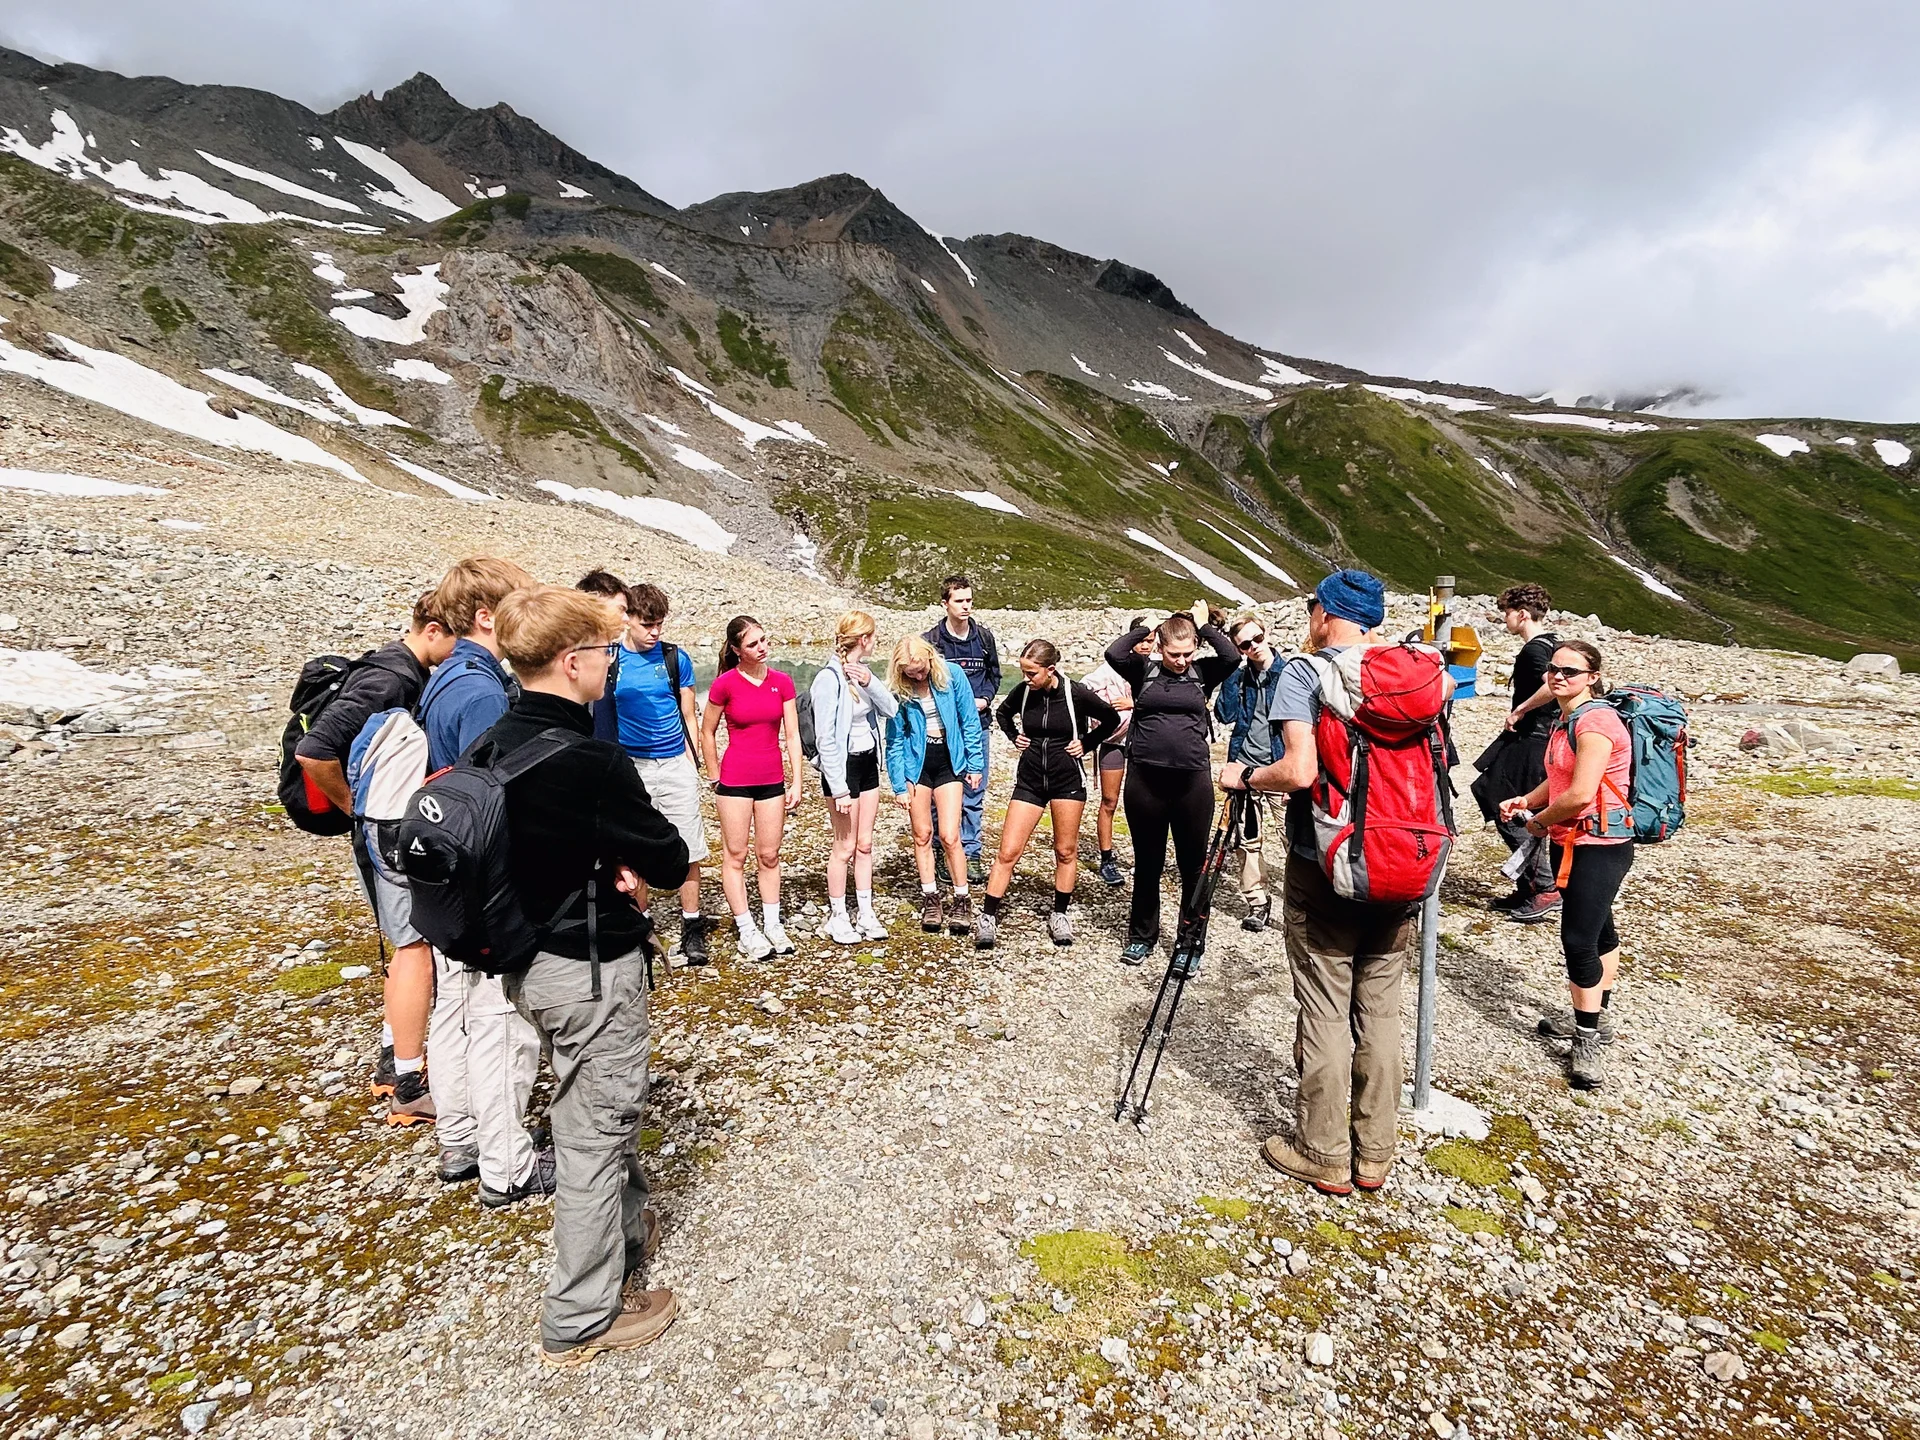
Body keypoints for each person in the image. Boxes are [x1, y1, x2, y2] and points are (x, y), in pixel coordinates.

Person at [481, 585, 691, 1365]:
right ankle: (583, 1316)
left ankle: (627, 1233)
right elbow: (669, 858)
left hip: (522, 964)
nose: (612, 663)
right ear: (572, 662)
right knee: (594, 1130)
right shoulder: (592, 759)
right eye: (603, 652)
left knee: (594, 1104)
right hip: (591, 966)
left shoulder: (493, 741)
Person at [1220, 568, 1434, 1197]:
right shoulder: (1418, 674)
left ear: (1325, 612)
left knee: (1325, 1004)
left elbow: (1298, 770)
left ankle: (1323, 1150)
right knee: (1382, 1007)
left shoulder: (1305, 672)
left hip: (1329, 861)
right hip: (1407, 860)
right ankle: (1377, 1153)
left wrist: (1243, 778)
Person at [415, 556, 552, 1201]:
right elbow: (497, 795)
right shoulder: (482, 693)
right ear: (486, 616)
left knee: (455, 1009)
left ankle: (461, 1135)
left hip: (447, 876)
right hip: (486, 882)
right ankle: (507, 1164)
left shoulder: (446, 678)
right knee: (500, 1020)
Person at [295, 591, 454, 1122]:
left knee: (403, 943)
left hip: (375, 828)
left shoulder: (389, 665)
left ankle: (392, 1057)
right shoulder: (392, 678)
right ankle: (409, 1083)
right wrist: (353, 808)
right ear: (433, 629)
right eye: (452, 639)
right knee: (415, 948)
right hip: (382, 829)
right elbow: (314, 751)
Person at [1498, 639, 1633, 1093]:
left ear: (1592, 677)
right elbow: (1560, 782)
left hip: (1597, 842)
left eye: (1570, 671)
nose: (1558, 676)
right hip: (1575, 838)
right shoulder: (1566, 719)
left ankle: (1588, 1037)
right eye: (1553, 669)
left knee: (1578, 940)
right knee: (1601, 932)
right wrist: (1529, 799)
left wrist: (1536, 823)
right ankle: (1597, 1011)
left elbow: (1579, 794)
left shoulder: (1594, 723)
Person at [1102, 602, 1238, 966]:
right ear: (1160, 648)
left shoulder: (1203, 672)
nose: (1181, 661)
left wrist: (1203, 625)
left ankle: (1190, 943)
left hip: (1191, 781)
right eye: (1174, 654)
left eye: (1187, 653)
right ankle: (1142, 937)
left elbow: (1231, 656)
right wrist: (1144, 627)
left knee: (1193, 865)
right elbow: (1113, 652)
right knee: (1148, 862)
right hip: (1145, 780)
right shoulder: (1142, 670)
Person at [975, 640, 1121, 949]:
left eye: (1031, 673)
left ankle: (1060, 914)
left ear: (1050, 670)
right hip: (1029, 781)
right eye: (1023, 672)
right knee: (1007, 852)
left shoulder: (1076, 693)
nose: (1026, 678)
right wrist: (1015, 737)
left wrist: (1088, 743)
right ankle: (987, 917)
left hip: (1066, 781)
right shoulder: (1025, 692)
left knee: (1065, 851)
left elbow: (1110, 718)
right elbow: (1003, 714)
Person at [605, 583, 711, 966]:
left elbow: (689, 712)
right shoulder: (612, 660)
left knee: (688, 845)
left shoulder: (674, 659)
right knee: (635, 846)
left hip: (674, 761)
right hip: (632, 765)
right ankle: (642, 924)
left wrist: (696, 759)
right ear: (628, 619)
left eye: (659, 625)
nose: (654, 632)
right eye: (647, 624)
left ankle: (692, 926)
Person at [701, 616, 803, 961]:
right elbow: (707, 730)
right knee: (736, 855)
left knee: (769, 855)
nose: (762, 648)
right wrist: (713, 772)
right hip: (734, 782)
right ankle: (746, 929)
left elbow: (792, 735)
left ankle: (772, 924)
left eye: (764, 640)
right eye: (753, 644)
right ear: (736, 650)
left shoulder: (783, 682)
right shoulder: (725, 684)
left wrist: (797, 780)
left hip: (772, 779)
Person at [884, 635, 986, 937]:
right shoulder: (899, 691)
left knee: (950, 834)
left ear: (930, 658)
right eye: (911, 672)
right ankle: (931, 897)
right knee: (922, 834)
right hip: (918, 764)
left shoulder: (952, 675)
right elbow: (895, 739)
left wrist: (975, 763)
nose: (918, 675)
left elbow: (969, 720)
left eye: (921, 669)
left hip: (949, 761)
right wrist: (899, 783)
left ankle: (961, 897)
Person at [1472, 584, 1559, 920]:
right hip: (1543, 737)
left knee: (1504, 804)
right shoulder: (1555, 644)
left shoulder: (1534, 650)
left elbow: (1551, 686)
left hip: (1532, 738)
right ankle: (1529, 886)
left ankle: (1544, 887)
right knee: (1513, 801)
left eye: (1507, 612)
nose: (1504, 618)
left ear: (1522, 615)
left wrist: (1520, 708)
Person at [811, 611, 899, 945]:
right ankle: (838, 916)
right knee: (844, 845)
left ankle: (865, 911)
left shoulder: (864, 674)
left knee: (864, 843)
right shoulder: (827, 679)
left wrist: (869, 682)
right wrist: (839, 788)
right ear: (863, 639)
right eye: (873, 637)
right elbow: (825, 739)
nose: (875, 642)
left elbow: (891, 709)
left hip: (867, 765)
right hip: (842, 769)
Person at [922, 575, 1000, 886]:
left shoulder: (983, 637)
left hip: (978, 725)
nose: (966, 606)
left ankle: (972, 850)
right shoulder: (932, 641)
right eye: (959, 601)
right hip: (941, 729)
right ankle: (943, 846)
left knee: (974, 789)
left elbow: (995, 675)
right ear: (945, 604)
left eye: (969, 600)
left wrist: (985, 699)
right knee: (940, 790)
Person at [1082, 616, 1145, 888]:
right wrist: (1102, 712)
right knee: (1109, 800)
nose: (1146, 646)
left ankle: (1145, 855)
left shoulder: (1157, 668)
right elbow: (1083, 688)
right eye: (1141, 640)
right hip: (1114, 742)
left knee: (1145, 803)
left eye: (1151, 641)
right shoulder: (1109, 670)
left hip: (1145, 744)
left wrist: (1134, 703)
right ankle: (1107, 858)